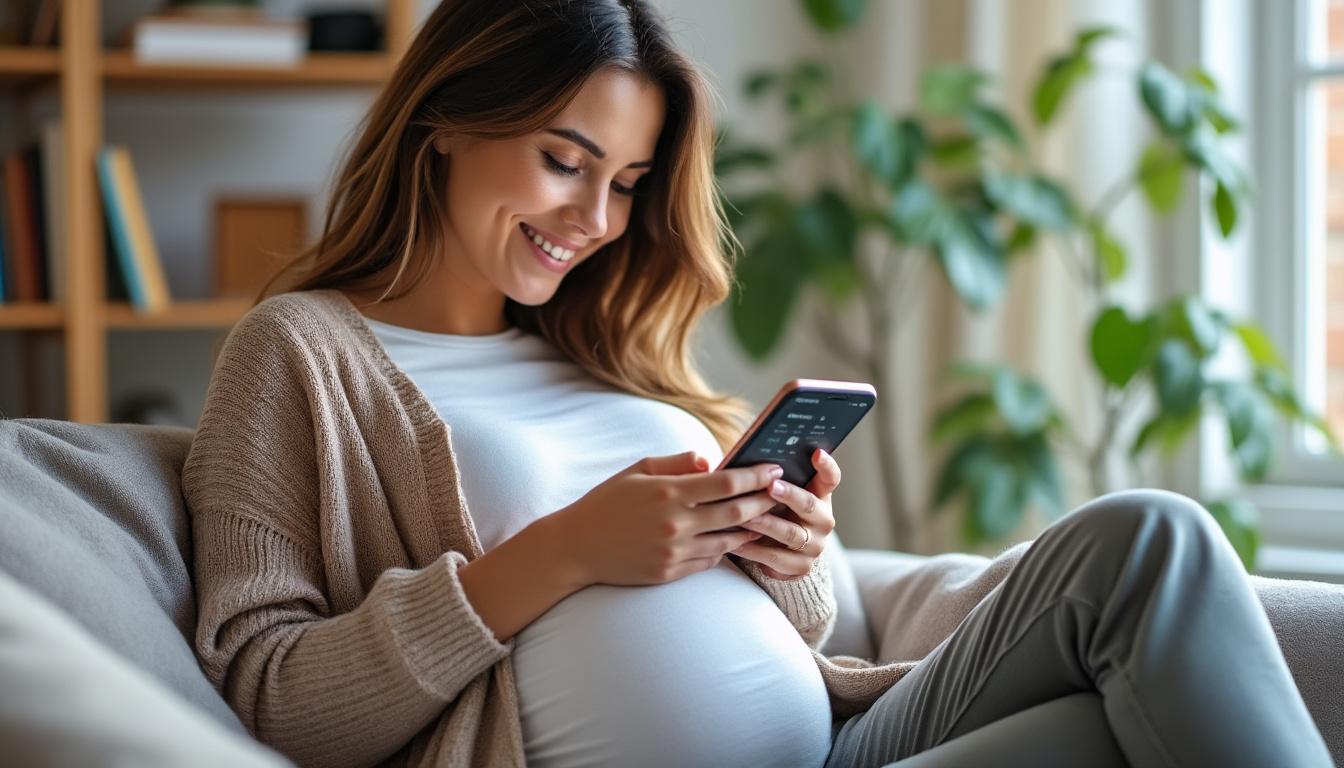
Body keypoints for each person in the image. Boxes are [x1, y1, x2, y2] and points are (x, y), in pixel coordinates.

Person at [182, 1, 1335, 767]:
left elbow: (798, 627)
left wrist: (784, 558)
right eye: (562, 159)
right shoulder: (300, 355)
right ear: (443, 123)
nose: (593, 221)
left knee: (1154, 539)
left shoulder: (604, 347)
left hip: (836, 746)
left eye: (628, 182)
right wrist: (566, 551)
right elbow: (269, 692)